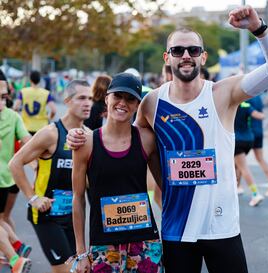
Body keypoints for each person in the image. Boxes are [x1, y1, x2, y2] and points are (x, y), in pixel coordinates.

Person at [67, 5, 268, 273]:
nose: (186, 56)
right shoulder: (152, 102)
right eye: (178, 50)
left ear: (203, 57)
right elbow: (127, 139)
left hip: (221, 227)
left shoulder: (223, 93)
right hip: (177, 229)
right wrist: (82, 136)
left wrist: (259, 28)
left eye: (193, 50)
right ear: (167, 57)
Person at [71, 73, 163, 273]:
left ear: (138, 105)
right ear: (106, 98)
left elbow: (165, 188)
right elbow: (78, 198)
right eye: (118, 96)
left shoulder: (147, 140)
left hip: (145, 243)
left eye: (130, 99)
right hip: (104, 245)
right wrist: (80, 252)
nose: (123, 103)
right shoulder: (85, 143)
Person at [9, 80, 93, 273]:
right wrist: (33, 198)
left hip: (72, 217)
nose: (87, 103)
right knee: (64, 270)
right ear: (67, 101)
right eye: (81, 98)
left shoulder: (89, 136)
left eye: (90, 98)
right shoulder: (51, 134)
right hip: (46, 216)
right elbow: (15, 164)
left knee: (78, 269)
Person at [0, 76, 33, 273]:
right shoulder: (13, 116)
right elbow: (28, 142)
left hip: (4, 178)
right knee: (3, 217)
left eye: (4, 97)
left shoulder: (12, 116)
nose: (2, 102)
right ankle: (17, 245)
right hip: (9, 178)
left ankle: (14, 259)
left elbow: (29, 142)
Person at [248, 95, 268, 197]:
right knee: (260, 158)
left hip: (247, 132)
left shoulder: (245, 96)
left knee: (239, 161)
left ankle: (239, 187)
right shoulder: (258, 97)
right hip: (259, 131)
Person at [234, 101, 265, 206]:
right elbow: (258, 115)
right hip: (249, 140)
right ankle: (237, 188)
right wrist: (264, 115)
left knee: (243, 167)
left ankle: (255, 194)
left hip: (237, 140)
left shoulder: (230, 104)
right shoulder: (245, 105)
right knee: (236, 165)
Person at [13, 70, 57, 135]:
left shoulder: (23, 92)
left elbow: (15, 107)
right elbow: (54, 110)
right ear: (39, 80)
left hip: (26, 126)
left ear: (30, 80)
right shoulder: (46, 93)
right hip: (41, 127)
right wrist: (49, 118)